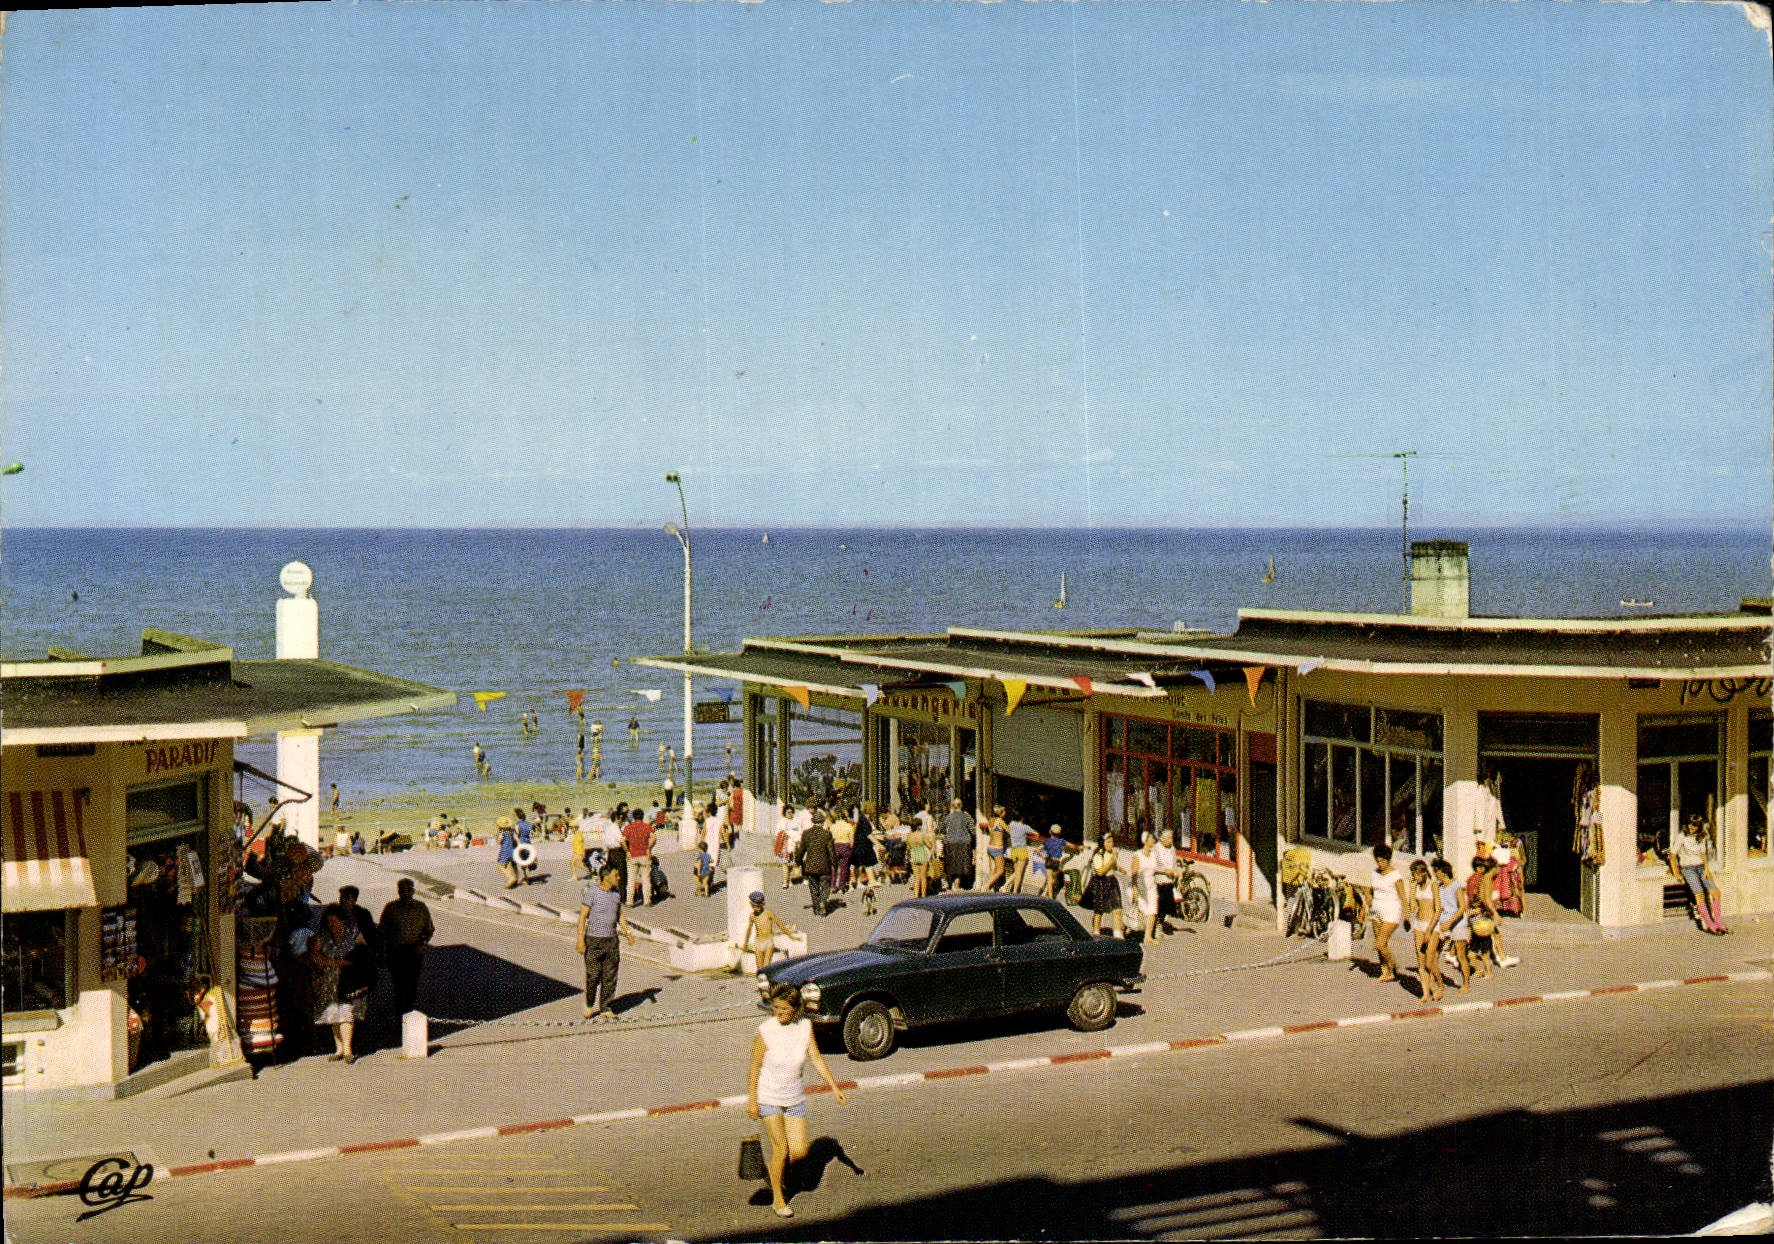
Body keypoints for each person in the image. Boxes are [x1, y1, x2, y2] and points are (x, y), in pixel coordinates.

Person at [747, 984, 848, 1219]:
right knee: (780, 1148)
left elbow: (815, 1057)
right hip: (768, 1096)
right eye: (775, 1007)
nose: (778, 1012)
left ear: (795, 1009)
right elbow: (754, 1068)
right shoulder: (765, 1030)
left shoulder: (805, 1027)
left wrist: (835, 1087)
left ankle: (780, 1174)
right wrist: (753, 1101)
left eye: (783, 1008)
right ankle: (778, 1199)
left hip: (794, 1097)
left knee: (799, 1152)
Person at [308, 904, 369, 1063]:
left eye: (335, 921)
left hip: (350, 981)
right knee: (333, 1015)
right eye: (329, 921)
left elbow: (363, 955)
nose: (332, 924)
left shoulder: (354, 933)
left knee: (347, 1014)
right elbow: (313, 956)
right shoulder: (322, 936)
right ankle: (339, 1049)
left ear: (343, 920)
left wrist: (346, 964)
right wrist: (333, 963)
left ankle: (348, 1050)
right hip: (329, 982)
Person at [575, 866, 635, 1018]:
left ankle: (606, 1008)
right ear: (606, 876)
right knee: (593, 975)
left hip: (611, 941)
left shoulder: (616, 894)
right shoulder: (592, 893)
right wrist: (580, 940)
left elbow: (620, 915)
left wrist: (628, 933)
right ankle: (589, 1004)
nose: (619, 877)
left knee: (610, 976)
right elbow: (582, 917)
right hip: (593, 940)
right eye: (616, 874)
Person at [378, 878, 434, 1019]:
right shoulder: (391, 908)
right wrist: (381, 953)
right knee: (399, 985)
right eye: (403, 891)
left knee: (412, 985)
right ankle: (400, 1014)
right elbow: (382, 932)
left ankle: (408, 1011)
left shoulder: (421, 908)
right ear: (398, 892)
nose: (406, 893)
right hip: (396, 953)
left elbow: (429, 929)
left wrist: (422, 945)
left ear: (413, 891)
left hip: (414, 953)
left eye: (408, 890)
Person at [1668, 814, 1730, 934]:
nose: (1692, 827)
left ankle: (1719, 923)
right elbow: (1673, 855)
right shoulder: (1682, 836)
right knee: (1699, 894)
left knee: (1716, 893)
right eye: (1690, 824)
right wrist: (1676, 873)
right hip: (1688, 868)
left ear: (1699, 826)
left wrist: (1707, 869)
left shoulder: (1701, 836)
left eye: (1695, 825)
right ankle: (1710, 925)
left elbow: (1703, 853)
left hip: (1701, 866)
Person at [1366, 843, 1409, 984]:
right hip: (1376, 909)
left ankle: (1393, 966)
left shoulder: (1395, 876)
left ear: (1388, 859)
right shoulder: (1374, 873)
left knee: (1379, 943)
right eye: (1378, 861)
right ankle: (1386, 971)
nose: (1380, 864)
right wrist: (1367, 905)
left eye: (1383, 861)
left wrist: (1407, 916)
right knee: (1380, 943)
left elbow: (1403, 896)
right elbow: (1370, 890)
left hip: (1391, 910)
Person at [1433, 857, 1475, 991]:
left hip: (1457, 924)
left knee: (1460, 955)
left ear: (1443, 872)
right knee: (1434, 954)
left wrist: (1450, 923)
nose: (1435, 874)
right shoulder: (1439, 887)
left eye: (1436, 871)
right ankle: (1437, 981)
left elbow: (1462, 907)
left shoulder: (1456, 885)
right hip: (1443, 923)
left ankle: (1466, 984)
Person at [1408, 859, 1444, 1002]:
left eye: (1416, 875)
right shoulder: (1416, 887)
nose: (1415, 878)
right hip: (1419, 924)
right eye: (1413, 875)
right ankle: (1426, 994)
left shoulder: (1433, 885)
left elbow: (1438, 909)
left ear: (1423, 873)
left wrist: (1429, 930)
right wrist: (1411, 890)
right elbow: (1413, 908)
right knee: (1421, 961)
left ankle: (1440, 985)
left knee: (1430, 961)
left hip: (1432, 925)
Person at [742, 892, 799, 969]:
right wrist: (745, 943)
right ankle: (762, 980)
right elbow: (749, 930)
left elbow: (780, 925)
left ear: (762, 904)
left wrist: (791, 936)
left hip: (768, 942)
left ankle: (768, 979)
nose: (757, 909)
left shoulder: (768, 913)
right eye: (755, 906)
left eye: (759, 906)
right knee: (759, 968)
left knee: (766, 968)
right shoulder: (752, 916)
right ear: (751, 905)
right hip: (758, 943)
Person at [1084, 833, 1124, 937]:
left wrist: (1119, 868)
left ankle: (1117, 935)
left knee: (1117, 908)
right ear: (1103, 843)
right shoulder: (1098, 855)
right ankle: (1096, 933)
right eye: (1109, 842)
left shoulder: (1112, 853)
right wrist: (1112, 860)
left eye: (1112, 842)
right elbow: (1100, 872)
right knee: (1099, 910)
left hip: (1112, 881)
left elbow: (1113, 866)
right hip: (1101, 882)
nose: (1112, 844)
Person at [797, 813, 837, 916]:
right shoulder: (827, 834)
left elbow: (801, 850)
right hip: (824, 866)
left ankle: (816, 908)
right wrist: (835, 864)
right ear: (822, 822)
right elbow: (831, 852)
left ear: (813, 822)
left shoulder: (806, 834)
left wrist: (798, 861)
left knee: (814, 887)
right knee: (825, 885)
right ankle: (823, 901)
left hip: (811, 866)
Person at [623, 809, 656, 907]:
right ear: (642, 816)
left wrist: (627, 851)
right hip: (644, 855)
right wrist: (648, 847)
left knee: (631, 880)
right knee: (646, 879)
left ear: (633, 817)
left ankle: (629, 902)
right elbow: (653, 837)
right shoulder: (647, 827)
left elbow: (622, 840)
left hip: (632, 855)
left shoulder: (628, 827)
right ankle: (647, 901)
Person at [941, 798, 976, 892]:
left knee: (952, 863)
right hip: (963, 843)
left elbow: (942, 829)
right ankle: (956, 884)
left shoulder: (948, 817)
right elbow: (973, 831)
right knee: (961, 864)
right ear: (961, 806)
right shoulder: (966, 817)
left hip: (950, 843)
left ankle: (954, 883)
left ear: (953, 806)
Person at [1135, 831, 1164, 942]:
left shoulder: (1152, 855)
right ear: (1145, 841)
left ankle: (1148, 936)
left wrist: (1167, 872)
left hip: (1151, 885)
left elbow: (1156, 869)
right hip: (1141, 884)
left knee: (1152, 910)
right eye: (1151, 839)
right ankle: (1126, 929)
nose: (1153, 841)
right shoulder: (1138, 855)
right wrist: (1134, 888)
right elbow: (1134, 873)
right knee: (1141, 909)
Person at [1005, 812, 1035, 895]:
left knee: (1016, 871)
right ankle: (1015, 891)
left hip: (1014, 850)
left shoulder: (1011, 824)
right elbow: (1035, 833)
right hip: (1022, 850)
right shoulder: (1025, 827)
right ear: (1022, 818)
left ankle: (1005, 886)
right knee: (1019, 873)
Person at [984, 806, 1009, 892]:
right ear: (1001, 813)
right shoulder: (1000, 821)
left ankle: (989, 891)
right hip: (997, 848)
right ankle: (986, 886)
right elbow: (1009, 831)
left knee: (993, 870)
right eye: (1004, 812)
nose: (1006, 813)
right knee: (1000, 871)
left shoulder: (991, 820)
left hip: (990, 847)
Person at [495, 816, 520, 889]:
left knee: (501, 866)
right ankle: (515, 880)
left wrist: (498, 839)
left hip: (505, 851)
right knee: (512, 865)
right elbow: (516, 840)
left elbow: (499, 841)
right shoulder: (511, 831)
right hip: (513, 850)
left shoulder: (501, 832)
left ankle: (511, 878)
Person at [514, 808, 537, 885]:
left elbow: (516, 835)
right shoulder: (529, 824)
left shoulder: (517, 824)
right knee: (528, 857)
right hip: (528, 843)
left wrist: (518, 844)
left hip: (521, 843)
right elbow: (531, 835)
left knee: (522, 861)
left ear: (517, 816)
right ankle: (531, 864)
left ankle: (526, 879)